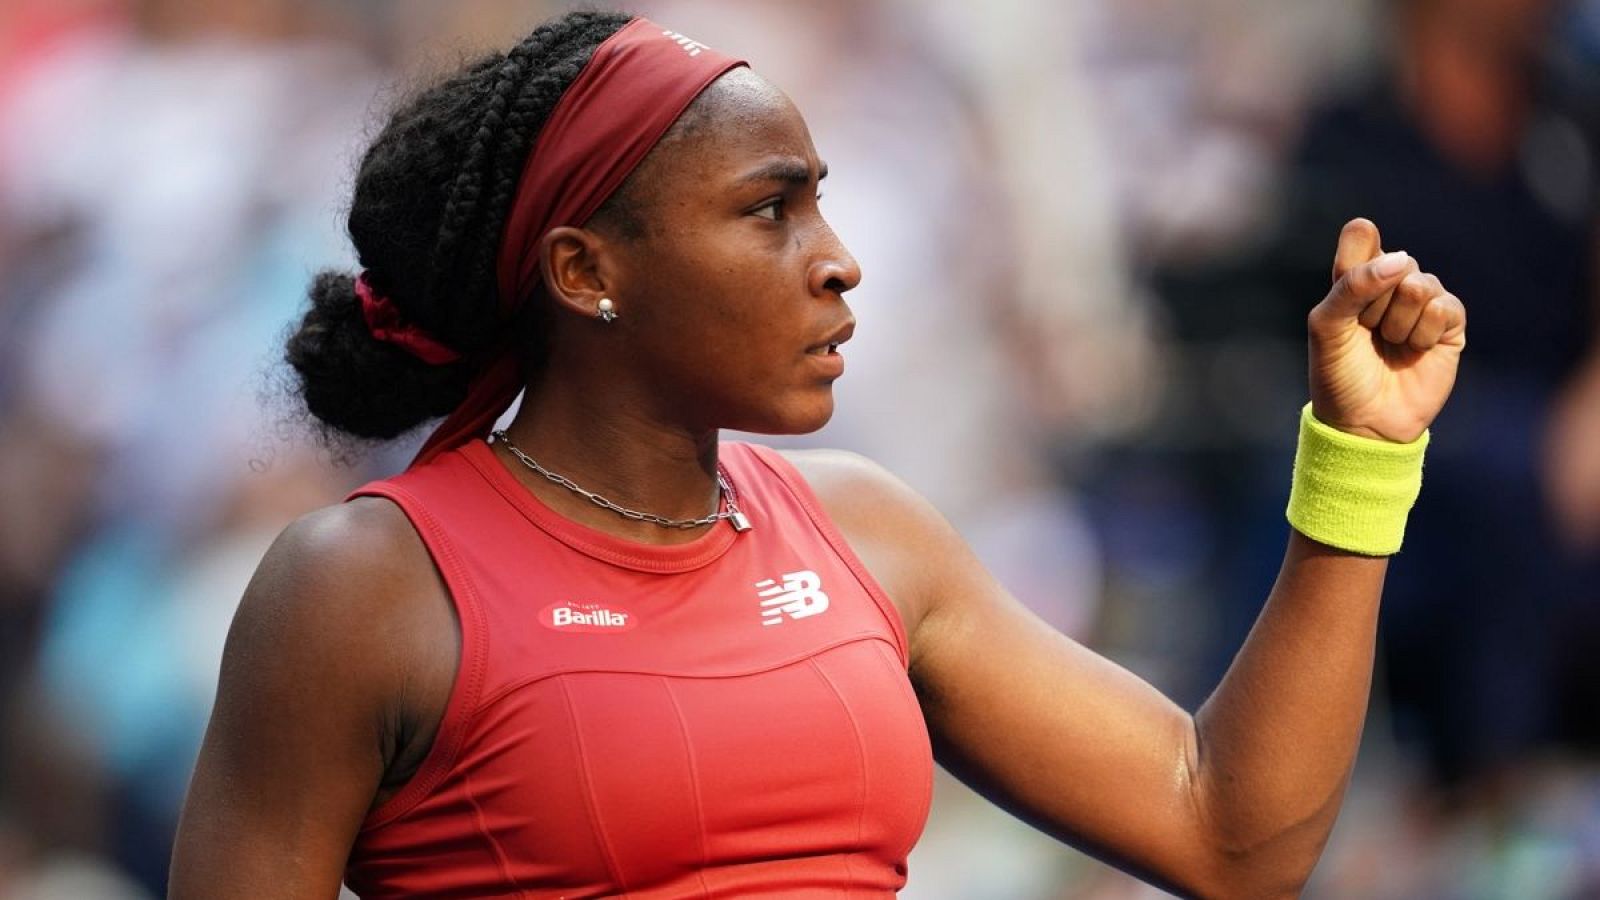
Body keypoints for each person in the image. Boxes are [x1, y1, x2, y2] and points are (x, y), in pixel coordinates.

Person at [168, 10, 1467, 899]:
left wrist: (1356, 457)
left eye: (823, 200)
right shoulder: (363, 587)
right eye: (769, 208)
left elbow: (1227, 832)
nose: (840, 258)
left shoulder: (870, 532)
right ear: (587, 270)